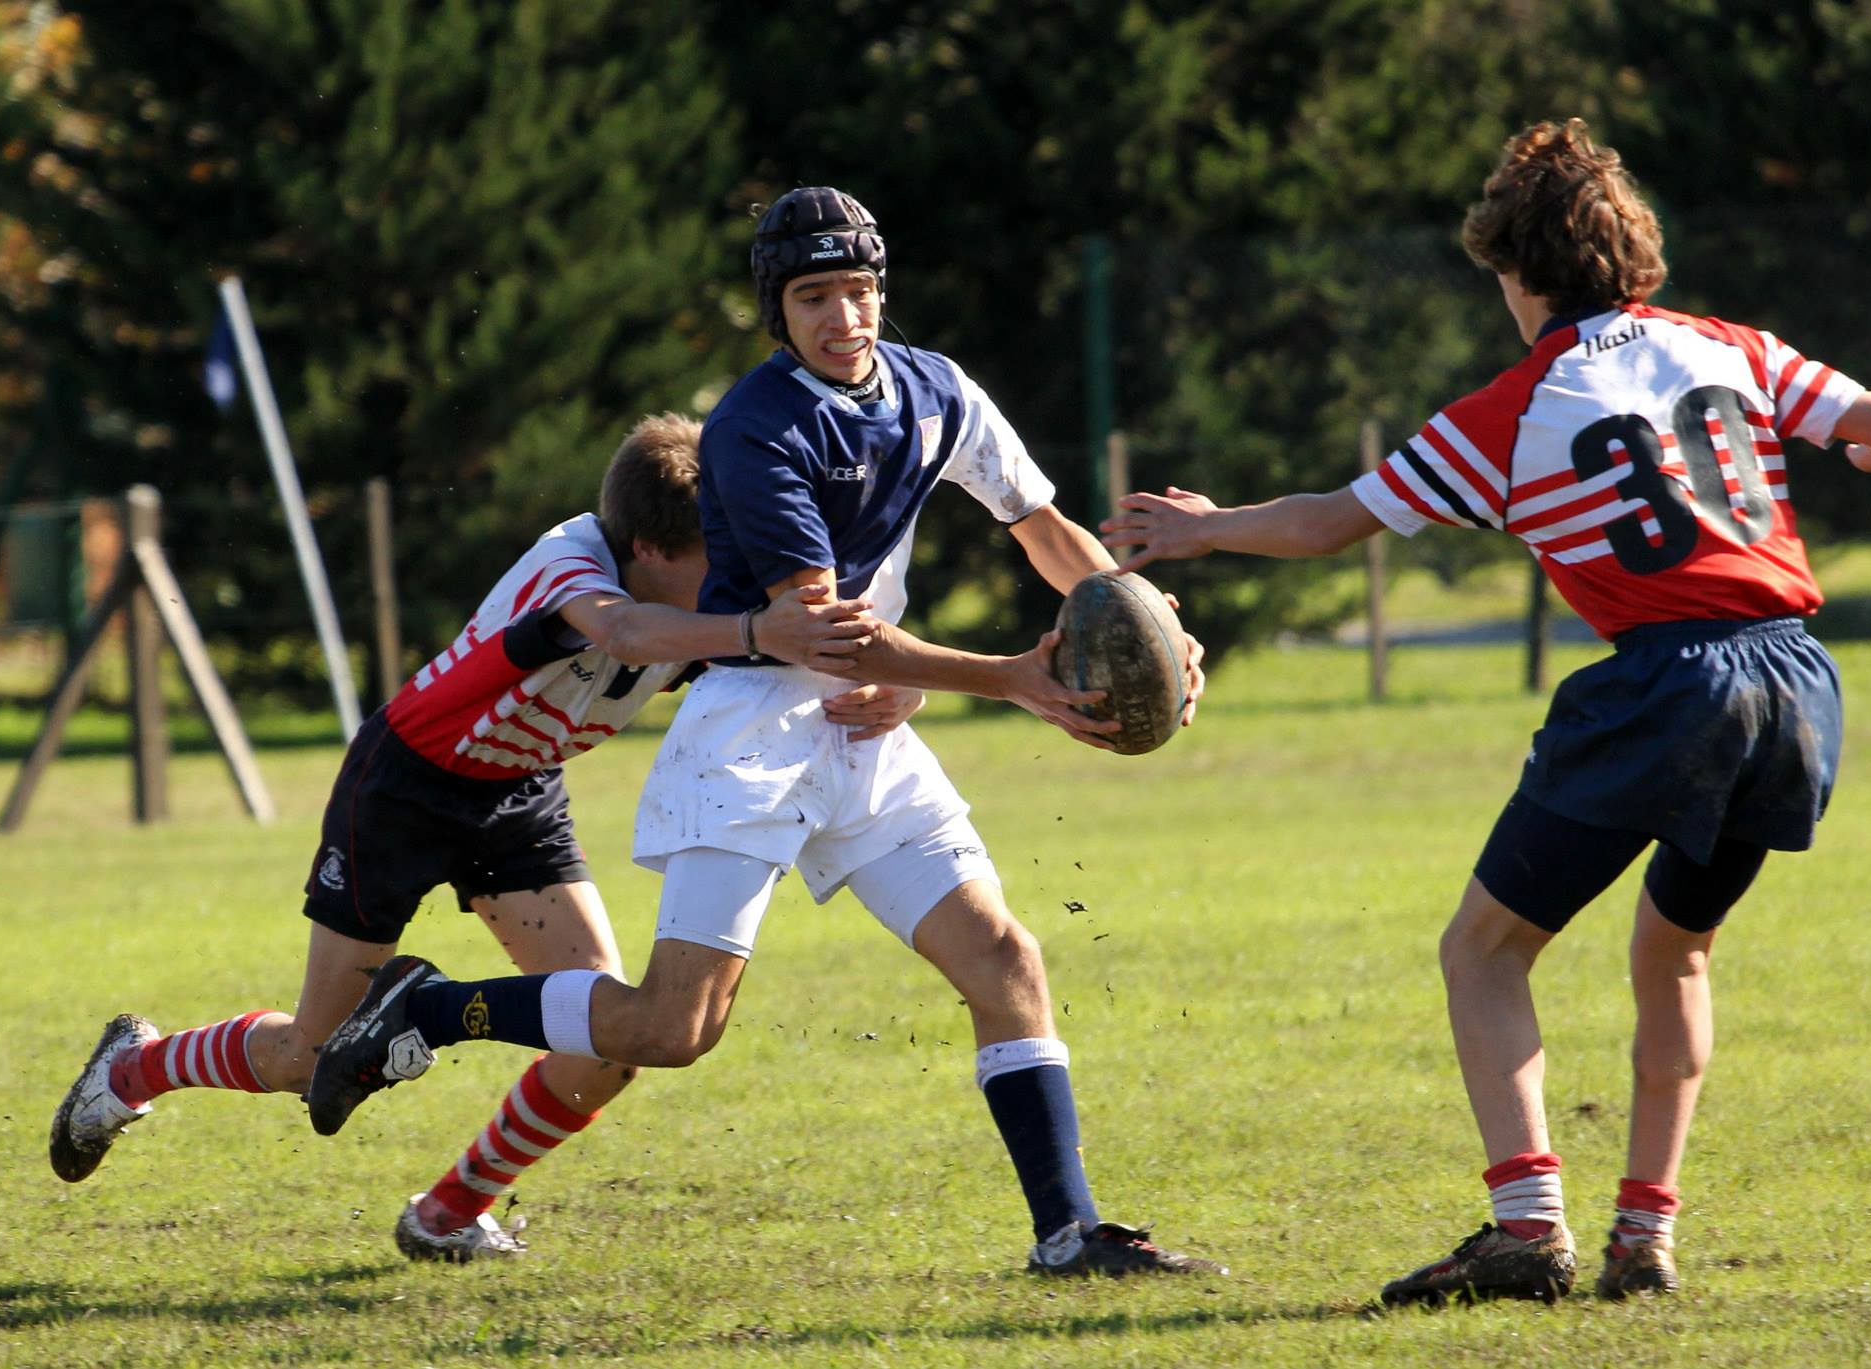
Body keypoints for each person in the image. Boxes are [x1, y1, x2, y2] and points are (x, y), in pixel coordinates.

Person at [1100, 119, 1871, 1305]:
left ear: (1517, 274)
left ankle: (1524, 1227)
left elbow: (1333, 520)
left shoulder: (1515, 407)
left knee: (1483, 950)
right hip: (1795, 682)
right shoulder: (1728, 345)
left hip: (1666, 681)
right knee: (1676, 948)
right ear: (1632, 253)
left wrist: (1204, 528)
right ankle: (1643, 1233)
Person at [305, 186, 1226, 1279]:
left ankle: (1068, 1233)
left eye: (857, 291)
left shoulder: (938, 394)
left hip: (868, 736)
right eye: (813, 297)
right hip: (750, 737)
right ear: (776, 312)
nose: (844, 317)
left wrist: (1144, 617)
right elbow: (825, 633)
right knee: (672, 1027)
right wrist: (1009, 678)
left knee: (1005, 959)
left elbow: (1042, 528)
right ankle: (435, 1008)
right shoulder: (755, 427)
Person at [48, 413, 875, 1262]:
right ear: (655, 551)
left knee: (609, 1033)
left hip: (517, 795)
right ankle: (134, 1068)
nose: (737, 571)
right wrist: (752, 631)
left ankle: (447, 1212)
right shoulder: (573, 567)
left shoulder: (693, 598)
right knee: (312, 1054)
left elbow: (807, 650)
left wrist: (913, 685)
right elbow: (625, 634)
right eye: (719, 549)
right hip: (404, 788)